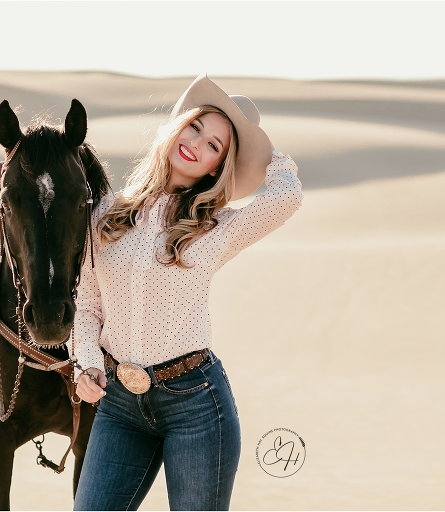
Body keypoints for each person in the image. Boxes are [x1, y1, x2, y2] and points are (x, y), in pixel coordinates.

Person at [68, 75, 303, 511]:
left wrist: (261, 149)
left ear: (217, 166)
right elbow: (87, 304)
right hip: (119, 407)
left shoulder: (216, 228)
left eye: (215, 145)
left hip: (195, 405)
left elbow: (285, 197)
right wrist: (86, 362)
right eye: (195, 127)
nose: (197, 143)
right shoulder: (108, 212)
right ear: (176, 126)